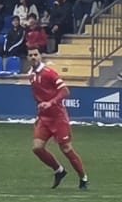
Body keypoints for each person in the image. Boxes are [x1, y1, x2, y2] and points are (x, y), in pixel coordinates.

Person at [25, 49, 89, 188]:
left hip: (58, 117)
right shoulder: (31, 74)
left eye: (36, 55)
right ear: (28, 58)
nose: (33, 57)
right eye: (30, 55)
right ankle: (59, 170)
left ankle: (83, 177)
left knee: (66, 148)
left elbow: (65, 90)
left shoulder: (49, 73)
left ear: (40, 56)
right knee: (37, 148)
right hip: (44, 118)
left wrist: (51, 102)